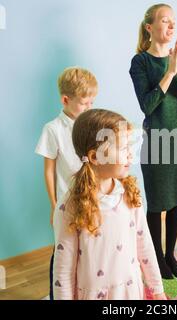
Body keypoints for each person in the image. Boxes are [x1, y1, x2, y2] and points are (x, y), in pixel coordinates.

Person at [53, 109, 166, 300]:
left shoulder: (130, 194)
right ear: (95, 157)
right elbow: (63, 272)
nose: (130, 154)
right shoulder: (70, 206)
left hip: (130, 292)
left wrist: (157, 289)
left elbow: (144, 245)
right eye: (123, 148)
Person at [129, 4, 177, 279]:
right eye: (165, 21)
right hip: (157, 141)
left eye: (173, 22)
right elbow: (147, 105)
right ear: (149, 27)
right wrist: (169, 72)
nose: (171, 26)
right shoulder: (141, 62)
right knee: (158, 202)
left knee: (176, 201)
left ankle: (170, 254)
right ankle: (156, 258)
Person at [35, 67, 98, 298]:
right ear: (65, 100)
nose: (89, 108)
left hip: (91, 199)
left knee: (88, 251)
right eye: (85, 103)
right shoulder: (53, 129)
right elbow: (49, 170)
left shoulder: (90, 125)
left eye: (92, 102)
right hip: (66, 203)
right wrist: (54, 205)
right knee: (62, 254)